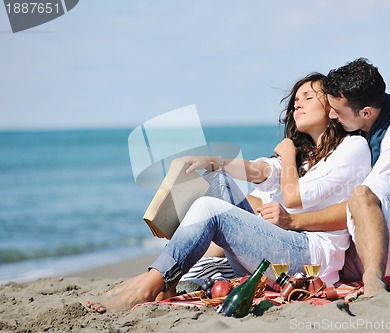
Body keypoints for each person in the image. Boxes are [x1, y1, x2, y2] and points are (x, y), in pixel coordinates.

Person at [86, 73, 371, 312]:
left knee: (211, 210)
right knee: (218, 181)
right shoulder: (302, 155)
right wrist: (212, 161)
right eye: (296, 100)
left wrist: (287, 154)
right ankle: (168, 277)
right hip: (282, 244)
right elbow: (260, 171)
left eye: (308, 98)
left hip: (310, 258)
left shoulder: (351, 148)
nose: (298, 105)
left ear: (332, 107)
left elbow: (294, 197)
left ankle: (152, 282)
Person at [270, 58, 390, 297]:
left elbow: (365, 202)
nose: (333, 116)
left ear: (366, 112)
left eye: (337, 111)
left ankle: (373, 282)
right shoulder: (357, 129)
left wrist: (294, 221)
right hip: (354, 247)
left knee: (362, 194)